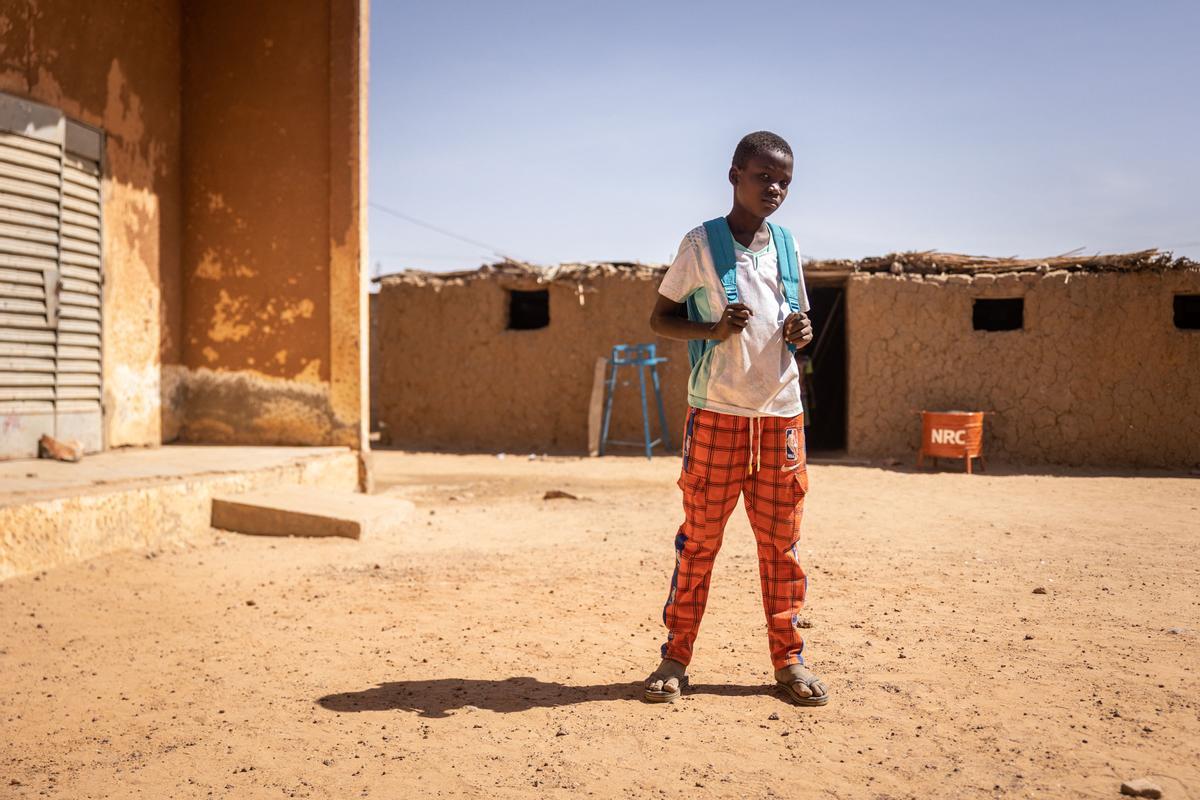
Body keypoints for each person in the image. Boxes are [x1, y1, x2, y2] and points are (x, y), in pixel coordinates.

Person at [642, 131, 828, 706]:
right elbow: (661, 319)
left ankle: (789, 661)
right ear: (734, 175)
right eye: (763, 177)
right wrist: (713, 330)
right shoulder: (701, 244)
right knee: (699, 542)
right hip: (718, 415)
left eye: (784, 182)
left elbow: (795, 320)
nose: (774, 189)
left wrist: (803, 333)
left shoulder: (789, 245)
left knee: (782, 546)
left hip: (781, 418)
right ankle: (675, 660)